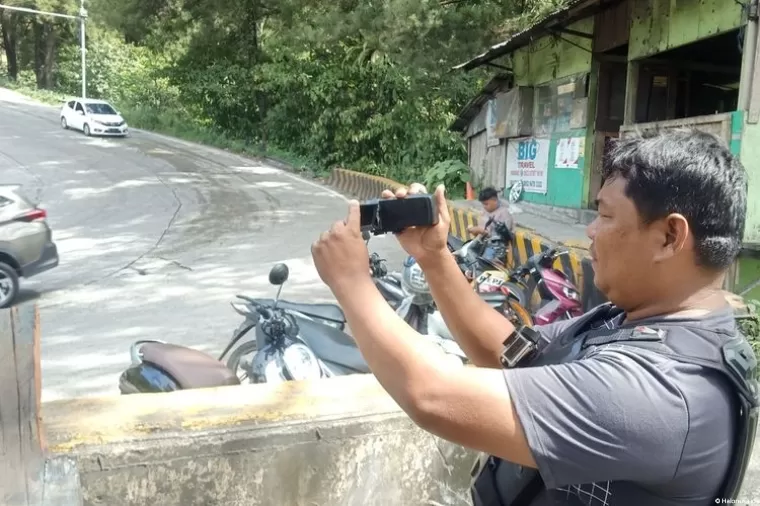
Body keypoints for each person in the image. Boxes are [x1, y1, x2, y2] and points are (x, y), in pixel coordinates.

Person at [310, 129, 757, 506]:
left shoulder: (663, 392)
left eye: (604, 214)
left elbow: (434, 396)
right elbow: (510, 353)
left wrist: (352, 284)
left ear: (669, 236)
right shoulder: (629, 323)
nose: (590, 230)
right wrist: (434, 257)